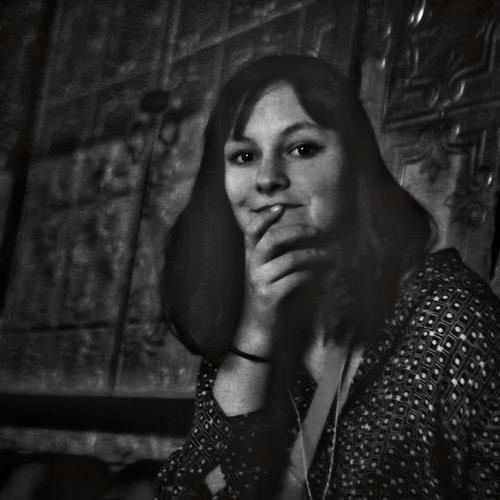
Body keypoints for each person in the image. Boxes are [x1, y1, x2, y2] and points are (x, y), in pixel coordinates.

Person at [154, 55, 500, 499]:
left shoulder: (452, 324)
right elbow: (194, 491)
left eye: (301, 149)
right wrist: (255, 335)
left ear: (355, 164)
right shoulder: (244, 325)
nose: (267, 178)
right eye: (244, 156)